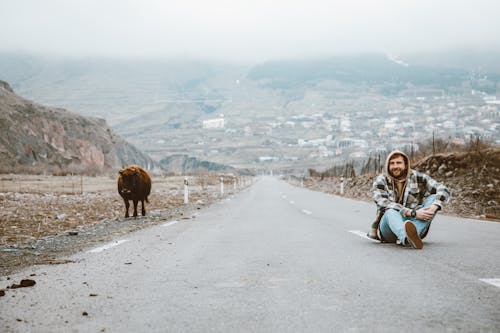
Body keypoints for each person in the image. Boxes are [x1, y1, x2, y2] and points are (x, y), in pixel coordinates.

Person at [367, 150, 451, 249]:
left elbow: (443, 189)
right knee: (390, 211)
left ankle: (411, 236)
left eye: (398, 163)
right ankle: (406, 237)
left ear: (406, 165)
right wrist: (412, 213)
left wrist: (433, 208)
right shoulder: (381, 180)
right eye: (392, 163)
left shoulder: (417, 177)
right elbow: (383, 203)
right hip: (389, 230)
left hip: (415, 224)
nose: (395, 166)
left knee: (433, 198)